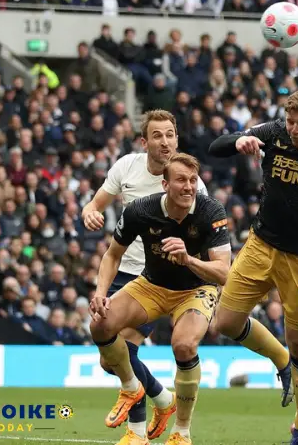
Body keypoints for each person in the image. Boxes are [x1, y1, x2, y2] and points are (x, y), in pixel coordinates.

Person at [207, 89, 298, 445]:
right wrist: (241, 141)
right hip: (260, 245)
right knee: (224, 322)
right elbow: (216, 146)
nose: (295, 129)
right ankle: (280, 360)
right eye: (290, 122)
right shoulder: (273, 133)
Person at [82, 110, 208, 442]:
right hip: (125, 271)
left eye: (170, 134)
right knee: (110, 361)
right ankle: (163, 400)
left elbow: (206, 231)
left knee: (127, 349)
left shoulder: (190, 182)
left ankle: (136, 432)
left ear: (177, 139)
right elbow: (95, 203)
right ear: (145, 142)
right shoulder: (126, 167)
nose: (165, 141)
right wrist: (90, 212)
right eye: (157, 135)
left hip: (160, 277)